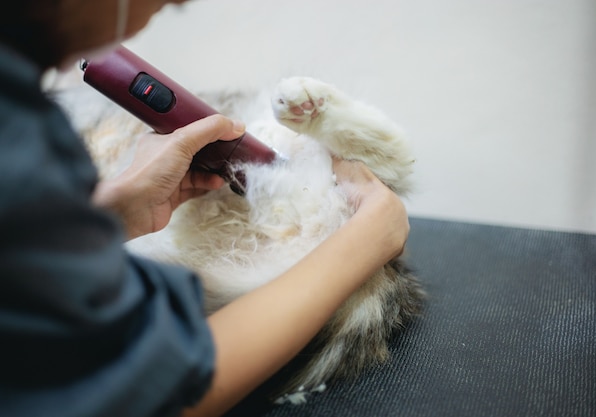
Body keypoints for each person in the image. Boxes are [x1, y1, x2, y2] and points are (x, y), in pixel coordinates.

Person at [0, 1, 410, 416]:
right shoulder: (16, 132)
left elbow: (20, 266)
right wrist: (368, 239)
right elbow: (152, 389)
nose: (176, 5)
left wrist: (112, 215)